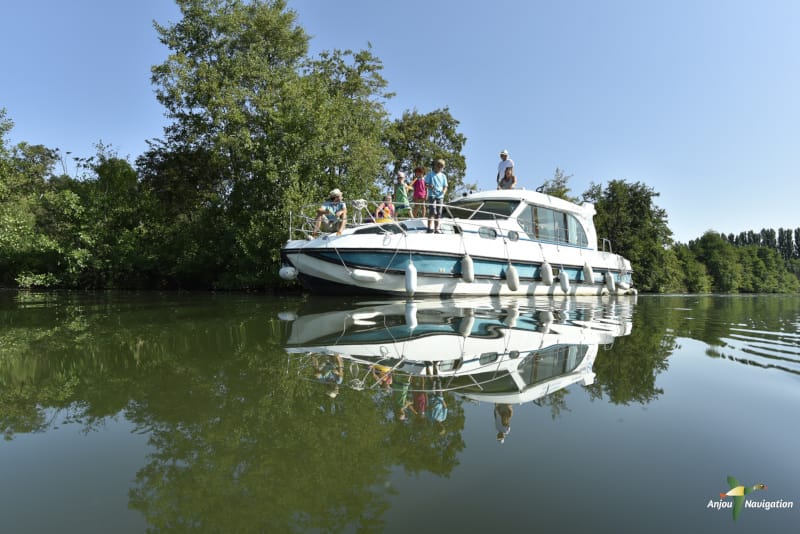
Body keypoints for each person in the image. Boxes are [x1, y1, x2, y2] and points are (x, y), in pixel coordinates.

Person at [424, 159, 448, 234]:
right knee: (432, 211)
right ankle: (429, 228)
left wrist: (443, 192)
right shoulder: (430, 174)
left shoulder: (443, 176)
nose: (440, 168)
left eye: (442, 166)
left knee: (439, 213)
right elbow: (425, 184)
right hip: (432, 195)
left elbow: (445, 186)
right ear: (435, 166)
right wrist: (430, 186)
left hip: (440, 196)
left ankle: (436, 229)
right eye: (439, 166)